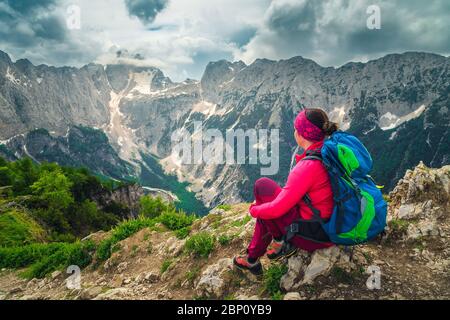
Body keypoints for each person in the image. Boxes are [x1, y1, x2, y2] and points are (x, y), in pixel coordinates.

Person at [233, 108, 338, 275]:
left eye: (296, 128)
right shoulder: (330, 150)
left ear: (301, 134)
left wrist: (254, 210)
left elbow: (276, 209)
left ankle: (254, 258)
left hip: (314, 234)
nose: (294, 131)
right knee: (263, 185)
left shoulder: (307, 167)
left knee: (265, 211)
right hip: (328, 222)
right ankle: (271, 245)